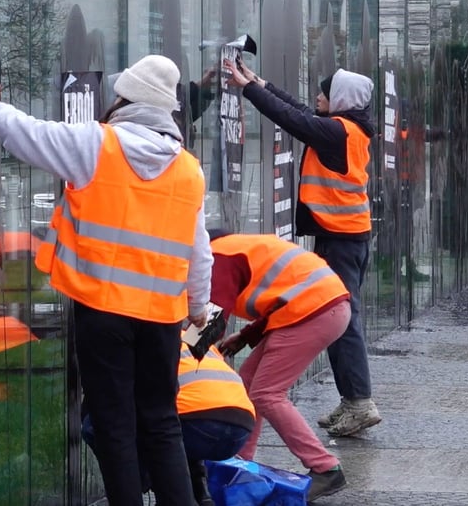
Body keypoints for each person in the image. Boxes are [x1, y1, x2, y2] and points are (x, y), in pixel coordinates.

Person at [0, 54, 214, 506]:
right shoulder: (189, 169)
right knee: (161, 422)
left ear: (125, 98)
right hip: (162, 321)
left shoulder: (98, 145)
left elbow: (31, 137)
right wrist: (198, 307)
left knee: (115, 426)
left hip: (103, 312)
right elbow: (199, 250)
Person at [224, 61, 382, 438]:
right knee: (339, 315)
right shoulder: (346, 128)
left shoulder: (337, 132)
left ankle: (360, 403)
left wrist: (249, 91)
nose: (318, 97)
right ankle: (352, 401)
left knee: (342, 320)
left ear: (340, 100)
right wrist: (262, 82)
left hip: (341, 239)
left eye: (324, 93)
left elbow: (291, 119)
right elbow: (300, 110)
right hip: (347, 236)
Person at [207, 231, 351, 501]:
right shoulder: (238, 247)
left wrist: (188, 352)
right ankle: (238, 460)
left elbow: (212, 322)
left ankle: (325, 467)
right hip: (322, 307)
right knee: (247, 382)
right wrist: (247, 336)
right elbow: (284, 296)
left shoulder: (217, 256)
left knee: (266, 393)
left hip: (313, 311)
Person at [82, 338, 254, 506]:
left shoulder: (140, 339)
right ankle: (201, 493)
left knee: (95, 425)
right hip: (241, 428)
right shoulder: (188, 336)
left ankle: (142, 486)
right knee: (180, 424)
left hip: (196, 422)